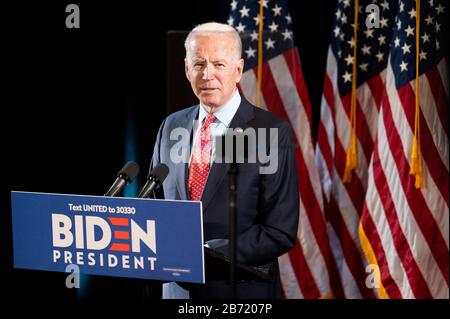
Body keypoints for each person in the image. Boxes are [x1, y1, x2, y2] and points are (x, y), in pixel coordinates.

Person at [149, 22, 299, 299]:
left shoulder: (269, 133)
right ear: (186, 69)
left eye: (218, 64)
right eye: (198, 64)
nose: (207, 75)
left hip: (239, 292)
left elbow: (280, 230)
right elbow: (153, 206)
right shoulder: (171, 126)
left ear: (238, 70)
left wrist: (205, 254)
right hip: (176, 292)